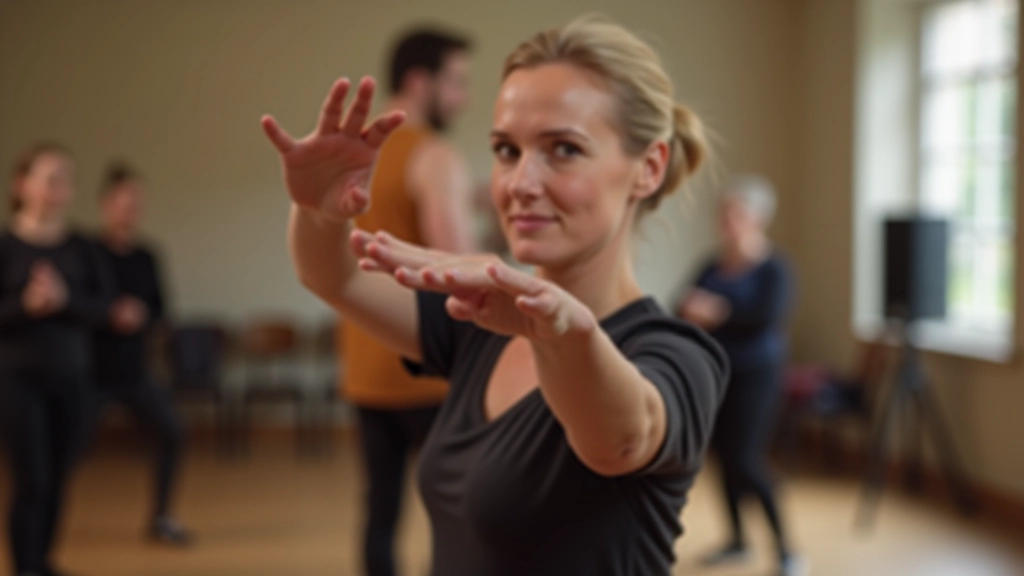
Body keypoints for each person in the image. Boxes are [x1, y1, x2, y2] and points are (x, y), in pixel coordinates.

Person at [262, 16, 728, 575]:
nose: (520, 183)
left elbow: (620, 440)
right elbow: (333, 278)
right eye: (507, 150)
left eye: (564, 150)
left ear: (647, 168)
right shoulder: (482, 320)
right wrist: (316, 208)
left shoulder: (677, 354)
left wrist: (559, 330)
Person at [338, 27, 477, 576]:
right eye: (458, 82)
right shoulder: (434, 154)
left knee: (379, 509)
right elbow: (456, 264)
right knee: (456, 512)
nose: (463, 97)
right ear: (421, 82)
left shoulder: (356, 153)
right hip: (426, 366)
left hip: (363, 359)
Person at [677, 175, 804, 576]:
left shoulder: (775, 269)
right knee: (724, 460)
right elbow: (681, 306)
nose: (727, 220)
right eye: (724, 212)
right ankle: (737, 541)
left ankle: (787, 550)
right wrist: (701, 312)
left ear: (757, 218)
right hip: (717, 375)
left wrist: (718, 313)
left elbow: (764, 318)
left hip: (758, 376)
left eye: (736, 212)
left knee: (747, 461)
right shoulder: (711, 265)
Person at [0, 143, 115, 576]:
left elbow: (104, 308)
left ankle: (43, 561)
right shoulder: (6, 246)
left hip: (72, 378)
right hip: (16, 381)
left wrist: (64, 301)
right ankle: (23, 567)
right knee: (32, 481)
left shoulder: (82, 247)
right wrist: (24, 306)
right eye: (50, 178)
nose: (59, 187)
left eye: (66, 178)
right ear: (22, 185)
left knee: (60, 480)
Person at [90, 162, 192, 546]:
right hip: (91, 373)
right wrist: (109, 313)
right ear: (106, 204)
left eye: (138, 200)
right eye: (124, 199)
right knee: (62, 445)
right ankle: (42, 524)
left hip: (134, 372)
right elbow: (78, 306)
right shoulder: (89, 252)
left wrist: (141, 315)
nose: (132, 207)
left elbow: (162, 308)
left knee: (173, 432)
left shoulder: (147, 256)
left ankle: (162, 517)